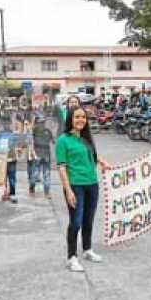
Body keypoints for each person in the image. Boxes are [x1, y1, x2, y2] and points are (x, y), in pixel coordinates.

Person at [56, 106, 110, 273]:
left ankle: (87, 250)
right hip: (75, 185)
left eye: (83, 117)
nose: (81, 120)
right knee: (76, 221)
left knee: (89, 219)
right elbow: (62, 168)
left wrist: (103, 162)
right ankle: (71, 257)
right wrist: (68, 190)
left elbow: (93, 156)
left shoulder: (86, 138)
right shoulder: (63, 140)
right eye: (77, 117)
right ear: (70, 119)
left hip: (92, 184)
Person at [29, 116, 55, 197]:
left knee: (36, 173)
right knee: (46, 173)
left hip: (38, 154)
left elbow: (30, 141)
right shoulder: (47, 131)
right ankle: (46, 192)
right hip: (45, 154)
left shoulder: (34, 130)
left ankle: (32, 188)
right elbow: (53, 141)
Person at [0, 117, 18, 204]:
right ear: (2, 124)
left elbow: (17, 145)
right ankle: (3, 193)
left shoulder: (13, 134)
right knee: (2, 178)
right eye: (5, 123)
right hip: (2, 160)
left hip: (12, 159)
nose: (7, 125)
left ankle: (12, 194)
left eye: (8, 123)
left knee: (12, 177)